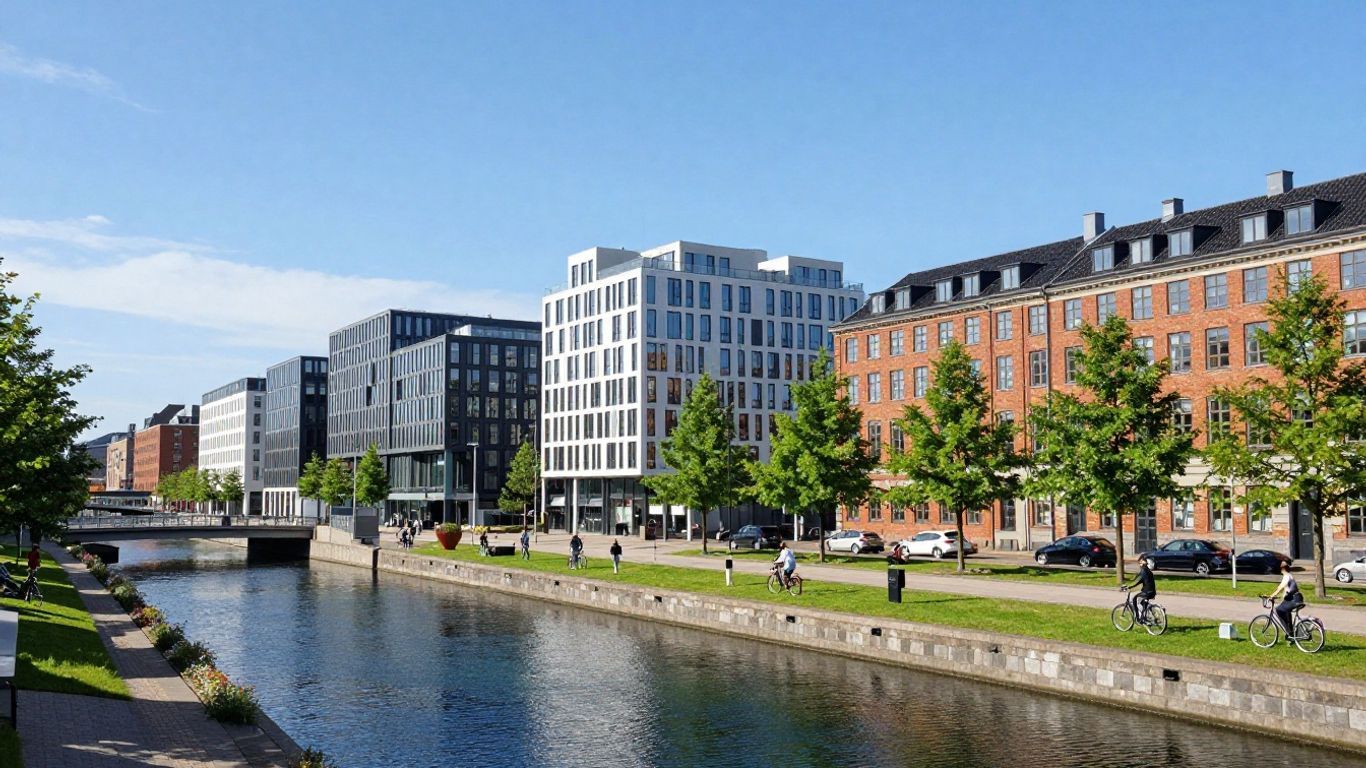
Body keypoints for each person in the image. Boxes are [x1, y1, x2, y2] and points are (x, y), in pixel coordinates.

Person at [1265, 560, 1304, 636]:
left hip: (1293, 599)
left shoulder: (1286, 576)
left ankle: (1288, 632)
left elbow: (1280, 588)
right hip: (1296, 598)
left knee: (1278, 610)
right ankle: (1290, 633)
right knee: (1286, 612)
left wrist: (1271, 596)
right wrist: (1279, 596)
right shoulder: (1290, 575)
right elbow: (1288, 590)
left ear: (1282, 569)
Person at [1121, 556, 1157, 623]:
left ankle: (1140, 618)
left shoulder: (1143, 571)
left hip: (1147, 592)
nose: (1140, 563)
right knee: (1142, 602)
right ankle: (1145, 615)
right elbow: (1136, 579)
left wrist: (1128, 587)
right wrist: (1130, 583)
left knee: (1135, 599)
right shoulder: (1148, 571)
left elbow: (1137, 581)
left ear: (1145, 563)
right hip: (1152, 592)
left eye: (1141, 562)